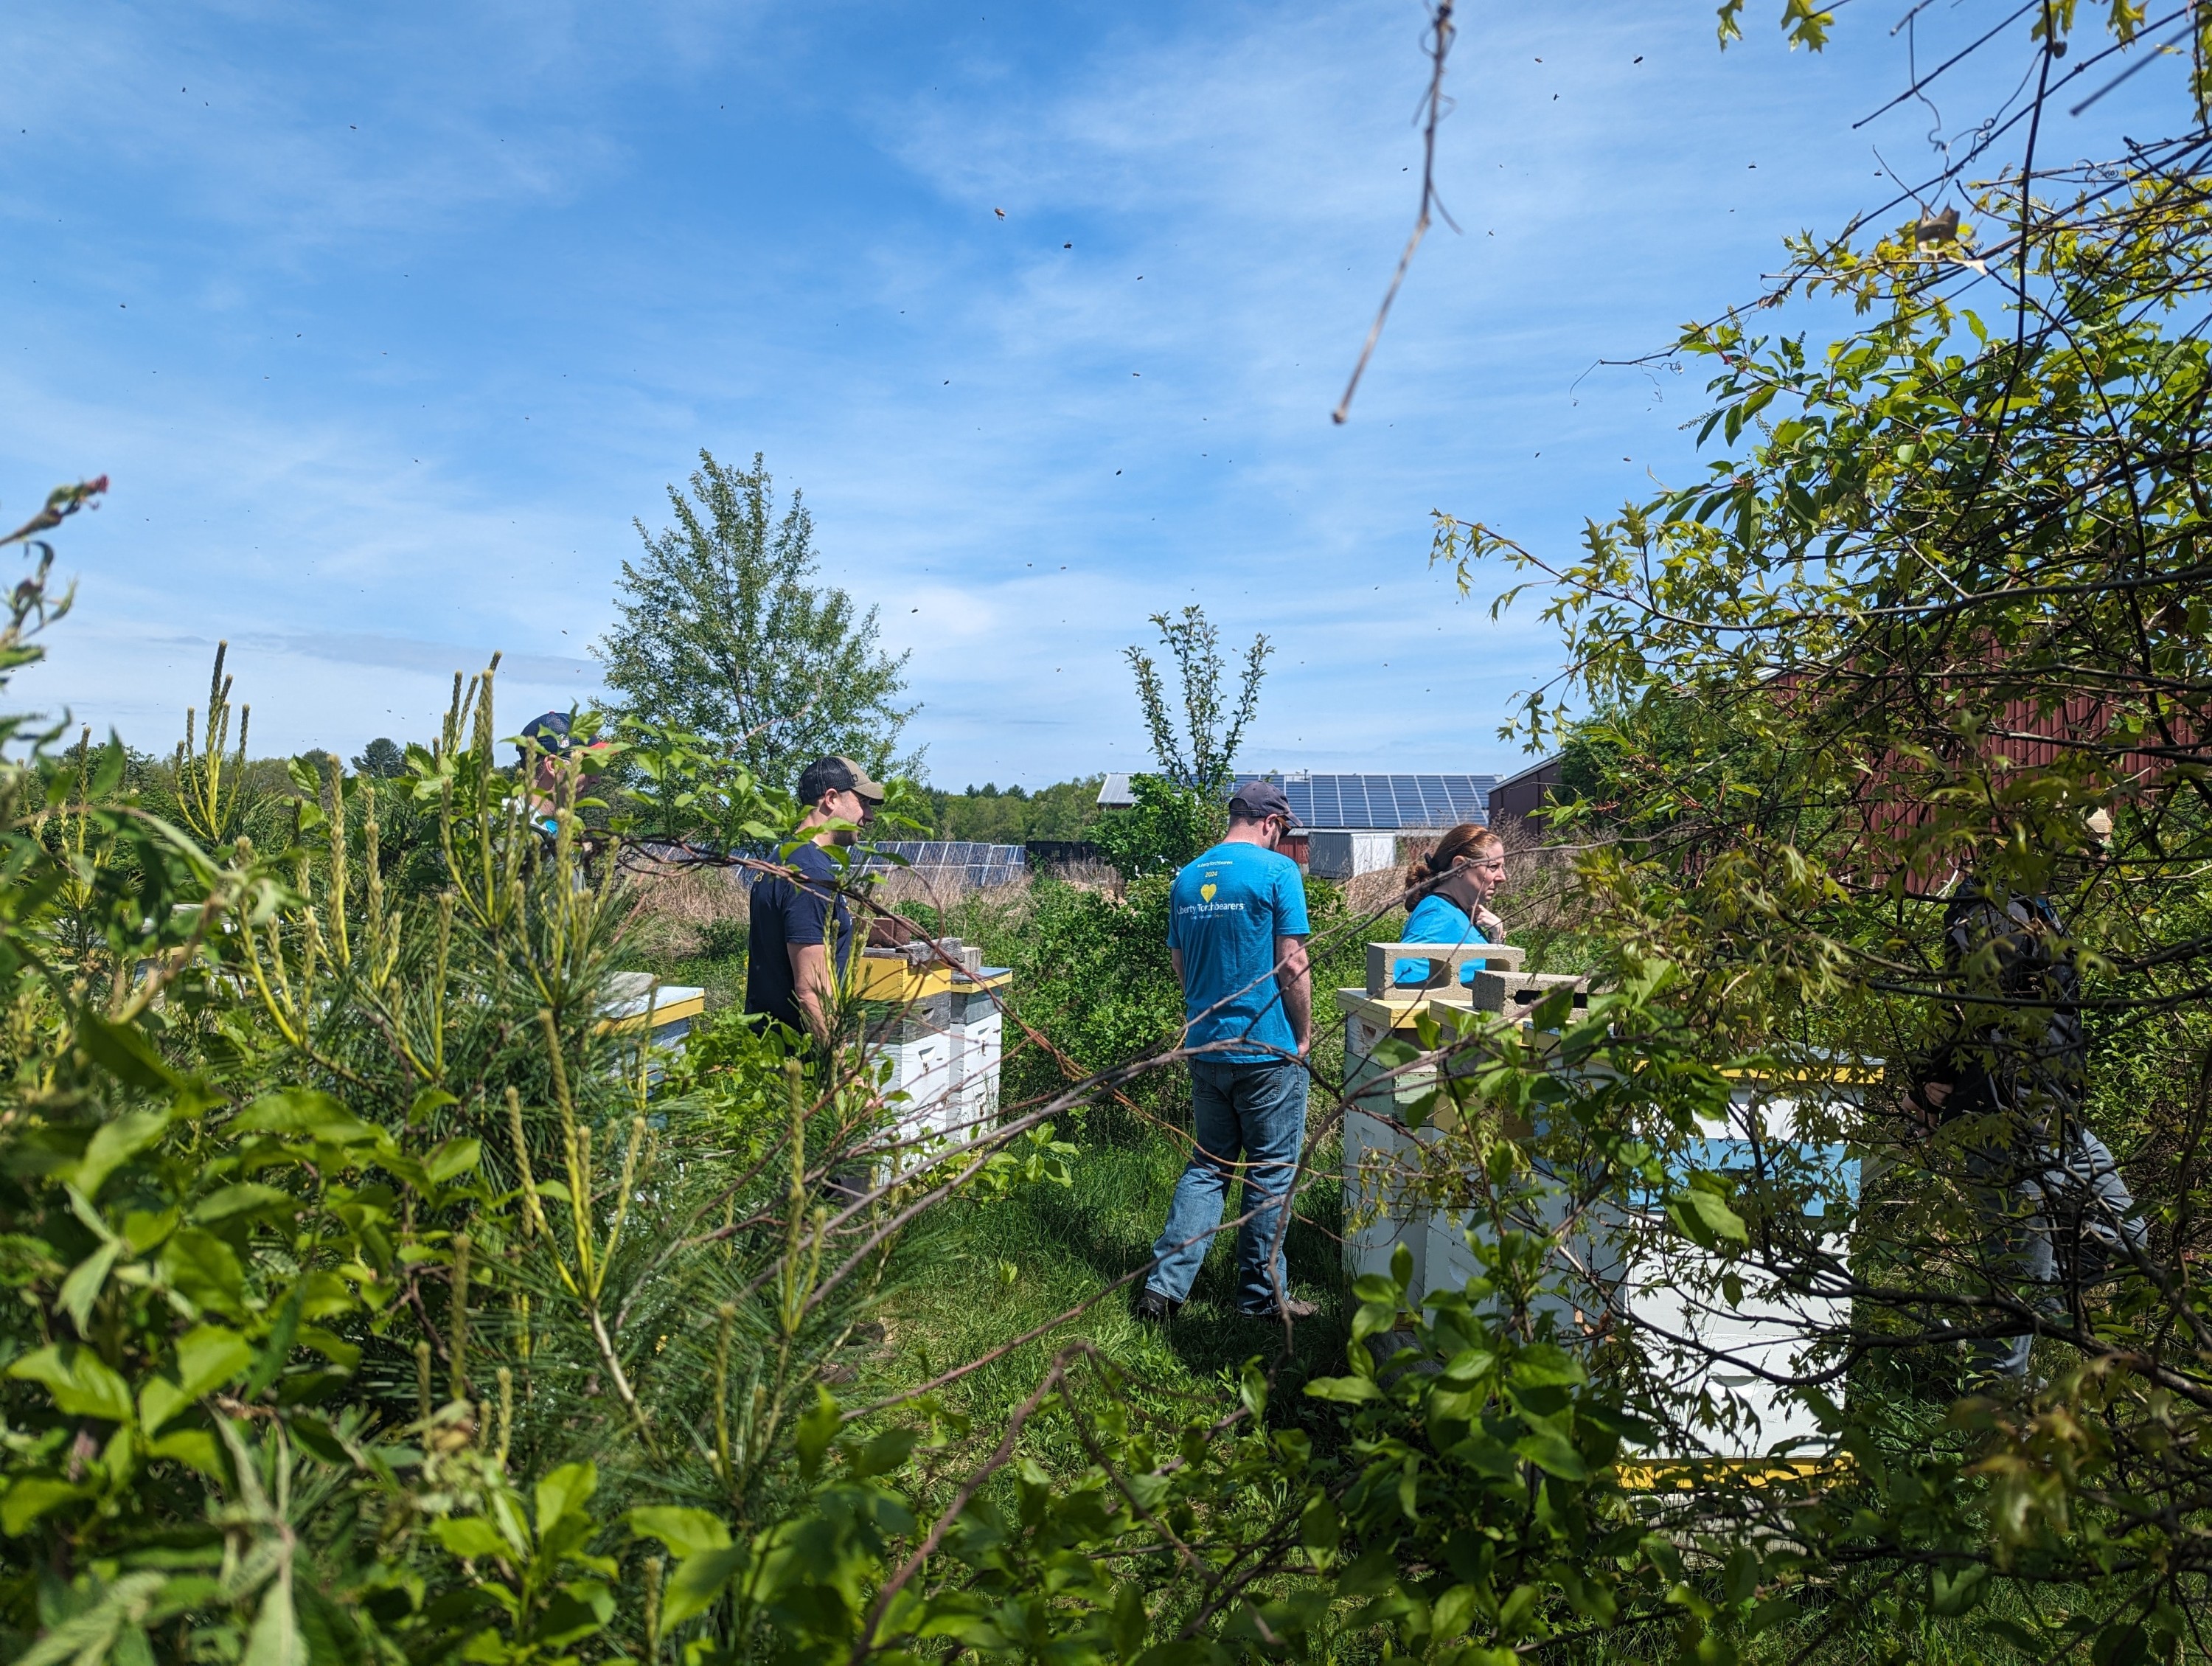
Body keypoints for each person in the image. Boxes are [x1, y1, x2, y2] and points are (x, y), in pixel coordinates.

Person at [1913, 855, 2146, 1383]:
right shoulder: (1986, 907)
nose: (2094, 862)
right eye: (2088, 849)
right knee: (2021, 1269)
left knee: (2127, 1231)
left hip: (2056, 1112)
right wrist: (1931, 1081)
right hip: (2005, 1115)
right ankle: (1998, 1405)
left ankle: (2046, 1333)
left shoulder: (2043, 909)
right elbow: (1973, 1005)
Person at [1138, 780, 1315, 1323]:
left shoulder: (1187, 877)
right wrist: (1303, 1035)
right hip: (1267, 1051)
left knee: (1208, 1167)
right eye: (1281, 831)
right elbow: (1293, 964)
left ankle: (1162, 1290)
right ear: (1269, 823)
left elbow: (1179, 962)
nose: (1281, 841)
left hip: (1207, 1046)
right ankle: (1261, 1300)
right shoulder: (1277, 872)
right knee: (1270, 1173)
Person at [745, 755, 883, 1054]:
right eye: (864, 802)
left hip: (769, 1051)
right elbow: (811, 993)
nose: (869, 816)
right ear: (832, 799)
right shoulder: (811, 876)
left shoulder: (783, 857)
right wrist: (845, 1071)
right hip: (800, 1061)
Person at [1393, 823, 1507, 990]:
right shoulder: (1436, 914)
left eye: (1502, 867)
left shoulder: (1457, 911)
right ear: (1460, 865)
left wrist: (1495, 937)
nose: (1502, 877)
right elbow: (1399, 975)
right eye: (1493, 867)